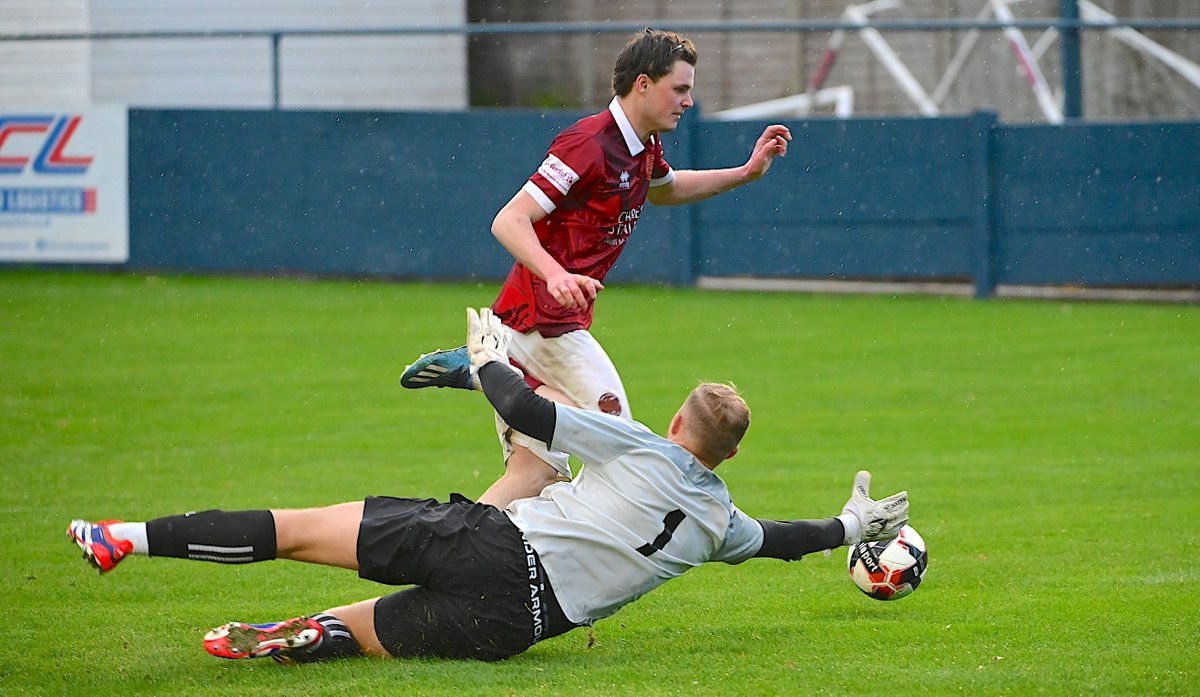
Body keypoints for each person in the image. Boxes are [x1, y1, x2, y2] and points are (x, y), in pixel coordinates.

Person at [68, 308, 909, 664]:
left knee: (293, 528)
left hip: (493, 541)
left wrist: (483, 360)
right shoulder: (721, 522)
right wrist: (850, 522)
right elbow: (782, 540)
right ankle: (307, 638)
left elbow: (525, 409)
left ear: (680, 426)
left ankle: (126, 538)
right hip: (521, 623)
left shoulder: (640, 447)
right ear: (726, 455)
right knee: (367, 633)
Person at [399, 28, 793, 508]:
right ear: (643, 85)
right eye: (681, 89)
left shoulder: (642, 145)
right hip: (541, 320)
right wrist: (556, 274)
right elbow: (509, 219)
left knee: (535, 476)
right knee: (620, 441)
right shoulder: (586, 144)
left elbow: (665, 189)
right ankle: (492, 371)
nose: (688, 101)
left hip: (535, 321)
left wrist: (746, 172)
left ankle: (452, 548)